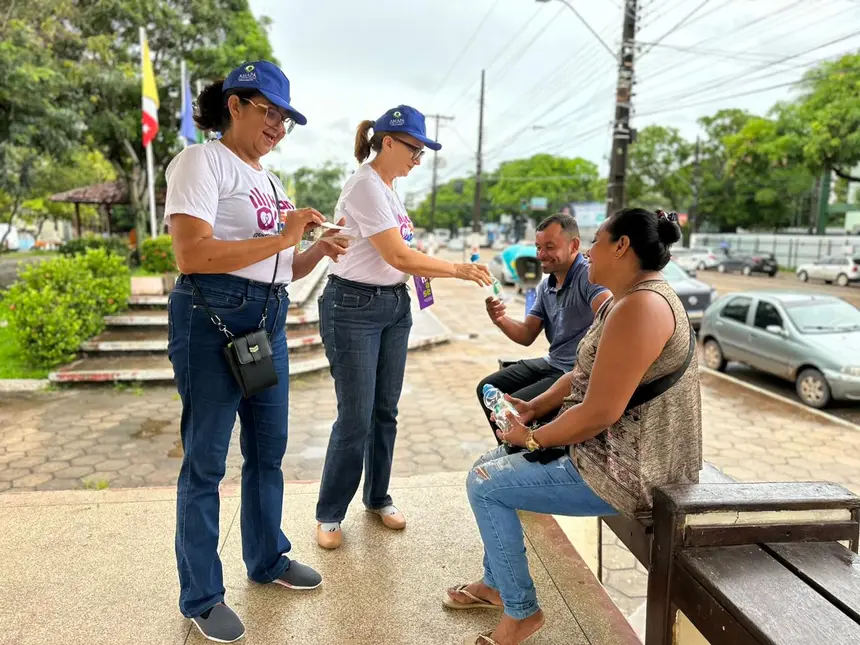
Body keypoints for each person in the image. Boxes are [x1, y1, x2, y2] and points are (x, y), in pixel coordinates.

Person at [446, 208, 703, 645]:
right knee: (493, 462)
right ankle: (495, 585)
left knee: (485, 482)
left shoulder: (641, 306)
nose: (589, 251)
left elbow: (599, 412)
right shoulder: (629, 298)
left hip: (630, 471)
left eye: (597, 242)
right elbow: (580, 372)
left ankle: (521, 614)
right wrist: (531, 408)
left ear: (622, 247)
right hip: (614, 453)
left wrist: (531, 438)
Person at [165, 60, 348, 643]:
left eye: (285, 118)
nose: (277, 126)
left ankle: (267, 558)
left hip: (265, 319)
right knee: (206, 463)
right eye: (268, 112)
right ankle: (201, 595)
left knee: (268, 449)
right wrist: (286, 235)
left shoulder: (270, 180)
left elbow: (279, 266)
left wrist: (315, 251)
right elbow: (192, 255)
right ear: (236, 105)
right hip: (210, 315)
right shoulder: (201, 161)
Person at [314, 105, 493, 549]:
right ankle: (330, 513)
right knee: (355, 417)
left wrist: (426, 271)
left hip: (393, 306)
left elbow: (403, 256)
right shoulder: (365, 186)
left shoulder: (390, 189)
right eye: (414, 148)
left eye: (423, 152)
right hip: (353, 307)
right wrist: (456, 268)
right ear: (388, 142)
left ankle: (377, 497)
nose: (419, 158)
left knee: (384, 412)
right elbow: (397, 255)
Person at [477, 213, 610, 436]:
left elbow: (609, 313)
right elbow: (527, 334)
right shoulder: (545, 286)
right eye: (538, 247)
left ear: (574, 245)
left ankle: (528, 449)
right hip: (553, 362)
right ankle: (513, 448)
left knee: (517, 408)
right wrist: (500, 320)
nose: (541, 255)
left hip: (574, 371)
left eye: (549, 247)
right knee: (488, 389)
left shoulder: (587, 276)